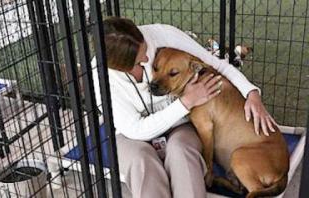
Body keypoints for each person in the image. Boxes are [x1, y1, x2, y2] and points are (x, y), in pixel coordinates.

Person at [92, 17, 277, 198]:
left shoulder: (162, 35)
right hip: (132, 134)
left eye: (147, 51)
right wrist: (186, 102)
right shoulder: (101, 74)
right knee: (141, 161)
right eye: (140, 62)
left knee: (182, 151)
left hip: (179, 124)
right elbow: (135, 129)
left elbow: (217, 65)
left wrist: (251, 92)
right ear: (118, 67)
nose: (147, 58)